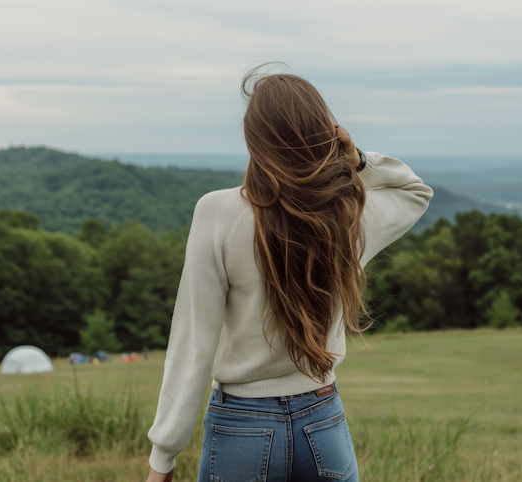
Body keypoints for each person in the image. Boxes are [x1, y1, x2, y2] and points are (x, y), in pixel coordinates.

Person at [145, 64, 434, 482]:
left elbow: (193, 343)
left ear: (255, 141)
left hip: (240, 426)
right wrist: (358, 160)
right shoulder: (348, 216)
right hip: (323, 418)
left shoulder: (217, 214)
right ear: (328, 134)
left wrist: (164, 455)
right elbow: (414, 192)